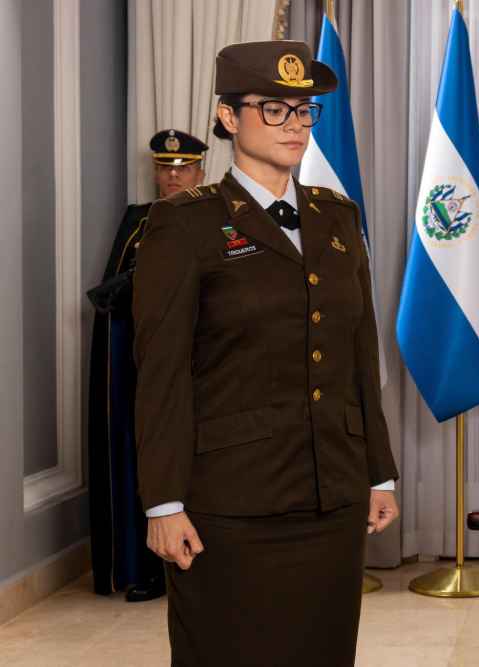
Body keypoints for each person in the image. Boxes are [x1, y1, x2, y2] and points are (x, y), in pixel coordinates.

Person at [132, 40, 399, 666]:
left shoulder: (337, 217)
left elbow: (360, 353)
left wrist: (377, 473)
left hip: (331, 495)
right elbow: (162, 375)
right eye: (273, 110)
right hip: (230, 503)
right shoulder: (185, 224)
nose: (295, 126)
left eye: (303, 111)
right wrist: (164, 503)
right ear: (229, 118)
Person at [86, 128, 208, 603]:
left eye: (183, 168)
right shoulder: (138, 219)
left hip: (195, 358)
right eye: (165, 168)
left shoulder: (215, 213)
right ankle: (140, 568)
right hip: (138, 355)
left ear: (201, 169)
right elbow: (114, 291)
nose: (173, 177)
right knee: (136, 449)